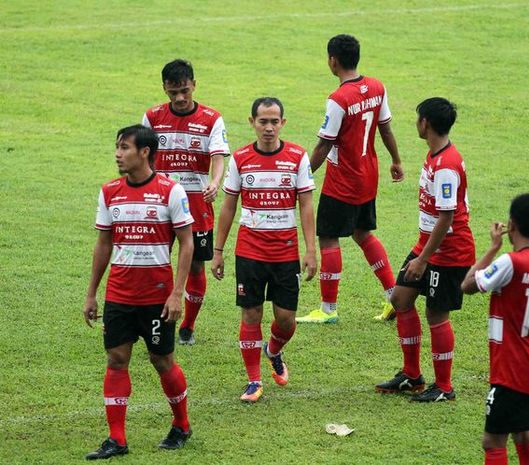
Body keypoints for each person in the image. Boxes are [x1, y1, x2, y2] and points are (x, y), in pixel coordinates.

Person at [83, 125, 194, 460]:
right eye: (116, 147)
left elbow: (187, 243)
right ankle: (117, 439)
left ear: (144, 152)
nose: (118, 153)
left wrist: (177, 293)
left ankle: (182, 425)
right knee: (116, 360)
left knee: (162, 360)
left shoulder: (170, 192)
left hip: (157, 298)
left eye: (124, 147)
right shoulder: (110, 192)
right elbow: (104, 244)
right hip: (120, 295)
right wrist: (92, 293)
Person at [211, 97, 317, 403]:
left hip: (285, 253)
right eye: (263, 121)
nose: (268, 128)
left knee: (286, 319)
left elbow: (307, 204)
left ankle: (273, 350)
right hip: (250, 252)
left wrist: (311, 250)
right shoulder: (241, 158)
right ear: (252, 122)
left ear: (283, 123)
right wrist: (218, 250)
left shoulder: (297, 156)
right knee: (251, 314)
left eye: (274, 122)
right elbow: (229, 205)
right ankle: (253, 381)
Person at [296, 34, 404, 324]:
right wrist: (396, 159)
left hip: (343, 179)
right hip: (368, 175)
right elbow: (386, 128)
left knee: (329, 236)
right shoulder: (377, 87)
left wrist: (300, 175)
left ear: (333, 61)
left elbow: (323, 145)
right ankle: (394, 296)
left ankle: (328, 309)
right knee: (362, 233)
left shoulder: (338, 99)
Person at [375, 97, 475, 402]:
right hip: (428, 245)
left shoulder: (446, 165)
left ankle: (444, 387)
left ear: (425, 124)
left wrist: (423, 259)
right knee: (400, 298)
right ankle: (412, 376)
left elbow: (447, 218)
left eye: (418, 118)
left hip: (448, 251)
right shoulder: (435, 155)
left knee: (436, 313)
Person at [142, 59, 231, 345]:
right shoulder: (152, 117)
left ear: (194, 84)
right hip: (158, 203)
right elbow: (142, 157)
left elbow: (218, 156)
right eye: (173, 92)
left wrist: (215, 181)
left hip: (196, 205)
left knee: (194, 266)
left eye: (184, 90)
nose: (179, 98)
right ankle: (153, 324)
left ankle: (188, 326)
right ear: (164, 89)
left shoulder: (211, 118)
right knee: (155, 264)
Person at [462, 194, 529, 465]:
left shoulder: (510, 262)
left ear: (511, 224)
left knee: (493, 441)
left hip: (510, 367)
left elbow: (467, 285)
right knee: (524, 436)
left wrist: (492, 248)